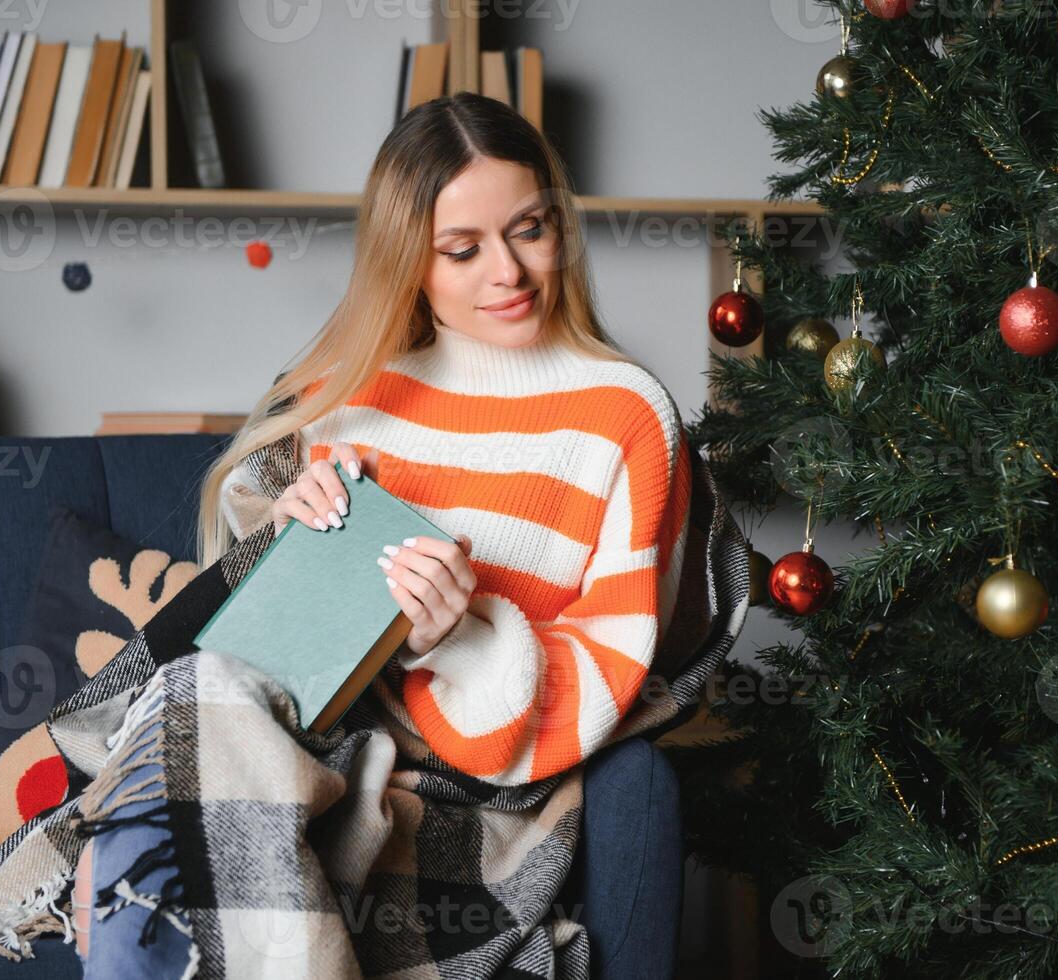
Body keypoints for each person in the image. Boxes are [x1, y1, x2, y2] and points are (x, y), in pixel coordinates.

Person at [71, 90, 692, 976]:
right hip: (307, 738)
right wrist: (281, 542)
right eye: (462, 249)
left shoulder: (627, 414)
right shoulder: (355, 388)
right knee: (193, 702)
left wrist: (460, 639)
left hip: (475, 785)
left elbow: (616, 662)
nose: (506, 273)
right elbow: (270, 648)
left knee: (166, 804)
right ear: (411, 260)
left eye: (529, 230)